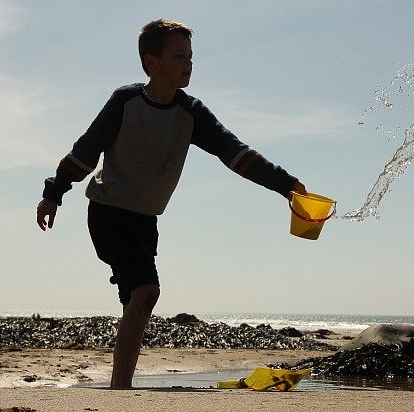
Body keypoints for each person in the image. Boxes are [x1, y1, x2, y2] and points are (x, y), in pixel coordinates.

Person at [36, 19, 306, 389]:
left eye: (191, 56)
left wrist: (287, 186)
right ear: (152, 62)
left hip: (146, 220)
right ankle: (120, 389)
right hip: (109, 212)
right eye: (179, 56)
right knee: (147, 291)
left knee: (136, 301)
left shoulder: (192, 113)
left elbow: (236, 153)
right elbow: (85, 151)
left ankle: (119, 387)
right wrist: (54, 192)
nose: (188, 63)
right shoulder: (126, 102)